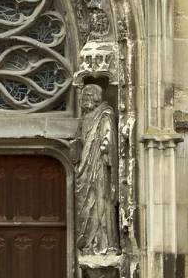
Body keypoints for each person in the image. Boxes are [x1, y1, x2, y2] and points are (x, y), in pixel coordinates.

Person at [75, 84, 119, 255]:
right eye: (82, 96)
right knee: (86, 202)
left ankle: (104, 244)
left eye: (86, 96)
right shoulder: (85, 117)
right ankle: (89, 243)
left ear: (95, 97)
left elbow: (108, 140)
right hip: (85, 168)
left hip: (99, 166)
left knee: (100, 200)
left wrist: (104, 150)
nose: (82, 100)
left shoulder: (105, 114)